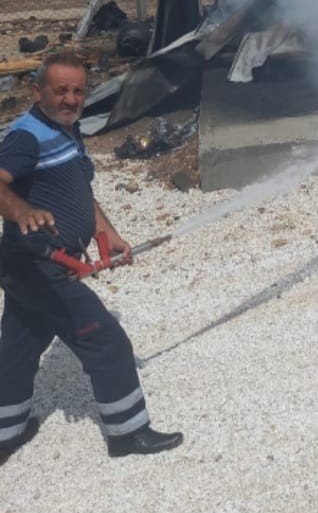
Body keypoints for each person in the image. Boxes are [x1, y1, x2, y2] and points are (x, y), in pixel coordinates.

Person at [0, 51, 182, 460]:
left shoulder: (66, 130)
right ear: (37, 91)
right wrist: (22, 211)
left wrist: (107, 231)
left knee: (19, 345)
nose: (71, 99)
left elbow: (78, 190)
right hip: (39, 265)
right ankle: (127, 432)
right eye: (60, 90)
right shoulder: (26, 137)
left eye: (78, 91)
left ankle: (4, 430)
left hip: (33, 265)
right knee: (106, 340)